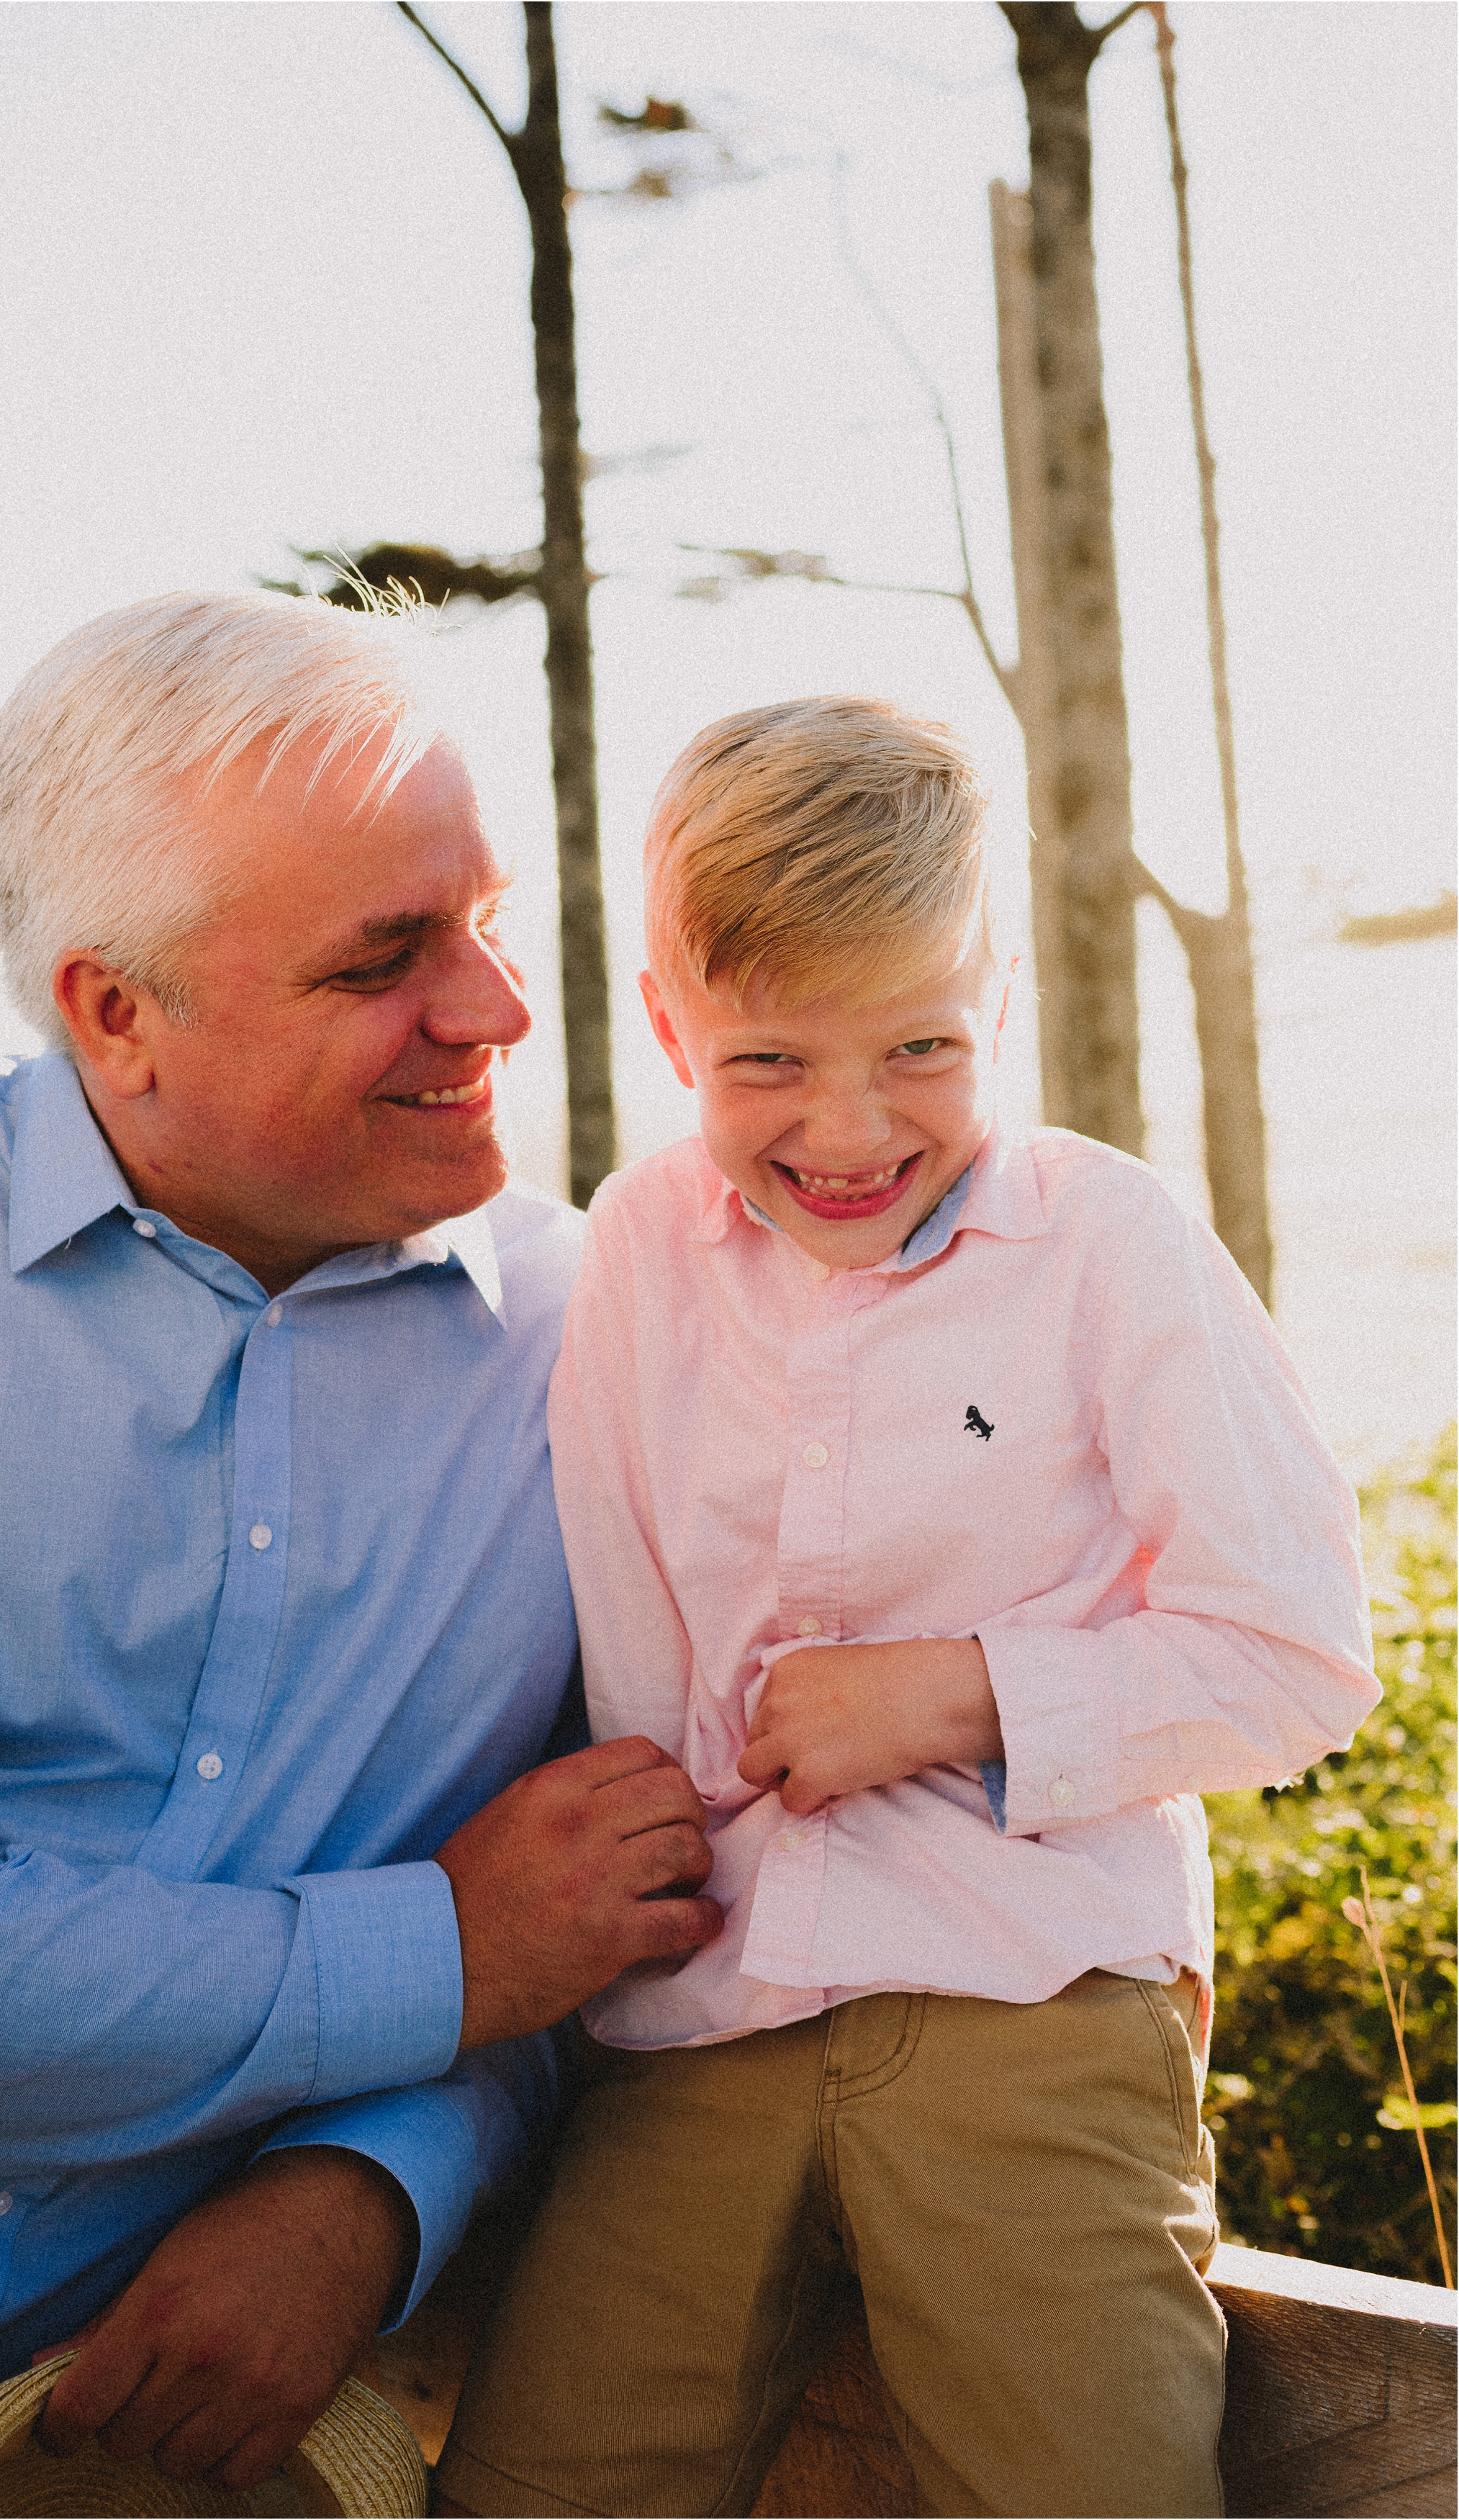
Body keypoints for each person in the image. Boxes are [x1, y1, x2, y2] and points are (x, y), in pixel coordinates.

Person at [0, 591, 721, 2519]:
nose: (495, 1012)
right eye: (386, 957)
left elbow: (593, 1918)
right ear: (112, 1010)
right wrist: (430, 1956)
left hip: (114, 2453)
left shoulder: (596, 1340)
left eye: (484, 921)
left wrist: (371, 2187)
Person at [436, 697, 1381, 2519]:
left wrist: (958, 1692)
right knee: (541, 2485)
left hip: (1026, 2000)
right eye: (767, 1061)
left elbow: (1293, 1651)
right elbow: (627, 1652)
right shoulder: (633, 1254)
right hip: (696, 2029)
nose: (849, 1128)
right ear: (665, 1026)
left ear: (1000, 1002)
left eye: (920, 1046)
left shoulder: (1102, 1247)